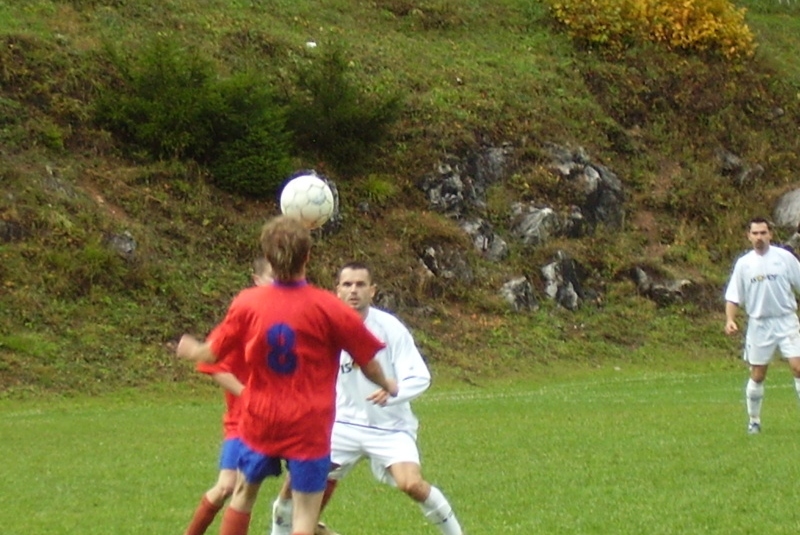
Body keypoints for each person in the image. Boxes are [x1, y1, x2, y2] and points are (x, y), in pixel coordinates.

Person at [176, 216, 398, 535]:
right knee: (304, 515)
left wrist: (193, 349)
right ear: (307, 256)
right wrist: (387, 382)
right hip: (309, 421)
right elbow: (368, 360)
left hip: (260, 417)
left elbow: (212, 354)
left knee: (242, 495)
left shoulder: (248, 303)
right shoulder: (328, 307)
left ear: (268, 255)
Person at [270, 262, 464, 535]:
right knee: (292, 490)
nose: (353, 291)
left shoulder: (389, 328)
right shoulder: (323, 328)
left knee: (411, 484)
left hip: (390, 427)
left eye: (360, 285)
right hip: (341, 426)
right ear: (337, 290)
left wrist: (393, 391)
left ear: (372, 291)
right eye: (347, 285)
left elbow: (420, 376)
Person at [182, 258, 274, 535]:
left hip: (284, 419)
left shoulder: (291, 316)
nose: (277, 282)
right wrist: (248, 396)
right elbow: (212, 364)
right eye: (271, 276)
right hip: (243, 422)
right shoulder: (244, 319)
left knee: (300, 491)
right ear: (256, 280)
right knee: (227, 487)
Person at [724, 216, 800, 434]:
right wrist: (730, 319)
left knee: (798, 367)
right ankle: (754, 421)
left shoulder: (785, 258)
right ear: (749, 236)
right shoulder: (744, 264)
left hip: (786, 320)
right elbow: (733, 296)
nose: (759, 237)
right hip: (759, 324)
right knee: (758, 374)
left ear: (770, 234)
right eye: (755, 233)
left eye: (763, 233)